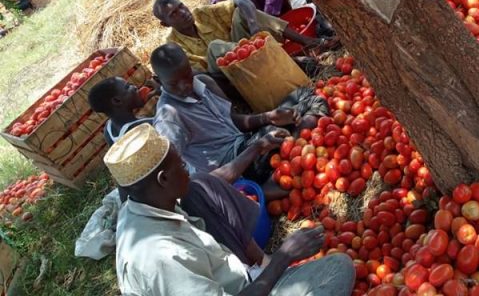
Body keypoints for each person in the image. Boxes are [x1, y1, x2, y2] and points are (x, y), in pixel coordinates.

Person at [105, 124, 355, 296]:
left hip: (237, 278)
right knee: (339, 268)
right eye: (181, 165)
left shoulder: (142, 206)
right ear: (163, 179)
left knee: (201, 186)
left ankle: (262, 268)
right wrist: (283, 257)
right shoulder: (161, 259)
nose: (187, 170)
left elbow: (214, 179)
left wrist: (255, 148)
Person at [88, 76, 285, 262]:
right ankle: (262, 192)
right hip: (178, 179)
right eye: (127, 87)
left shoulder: (110, 129)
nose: (134, 86)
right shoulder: (148, 128)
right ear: (117, 101)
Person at [150, 43, 328, 184]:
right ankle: (295, 151)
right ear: (158, 81)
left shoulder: (204, 82)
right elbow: (174, 172)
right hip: (238, 164)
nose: (185, 86)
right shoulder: (169, 118)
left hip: (246, 141)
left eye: (187, 75)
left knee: (303, 93)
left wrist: (268, 116)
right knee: (315, 102)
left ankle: (291, 149)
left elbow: (233, 120)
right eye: (174, 83)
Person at [152, 0, 333, 75]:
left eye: (181, 6)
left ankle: (309, 42)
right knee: (216, 47)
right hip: (227, 74)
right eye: (174, 14)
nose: (183, 12)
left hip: (246, 50)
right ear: (165, 23)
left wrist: (254, 29)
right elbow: (203, 77)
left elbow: (242, 1)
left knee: (243, 12)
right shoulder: (174, 47)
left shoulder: (202, 14)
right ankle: (288, 61)